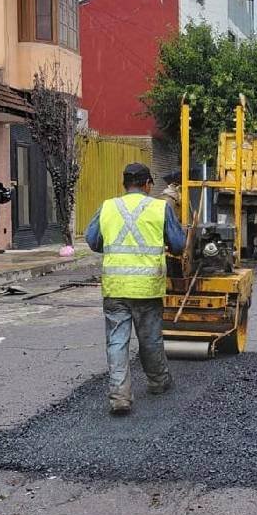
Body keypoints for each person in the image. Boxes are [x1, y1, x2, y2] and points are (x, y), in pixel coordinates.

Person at [85, 163, 186, 415]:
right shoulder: (160, 207)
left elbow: (93, 240)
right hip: (147, 288)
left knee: (117, 341)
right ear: (148, 184)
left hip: (115, 287)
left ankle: (119, 395)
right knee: (150, 337)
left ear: (124, 184)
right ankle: (158, 381)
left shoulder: (108, 206)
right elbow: (177, 245)